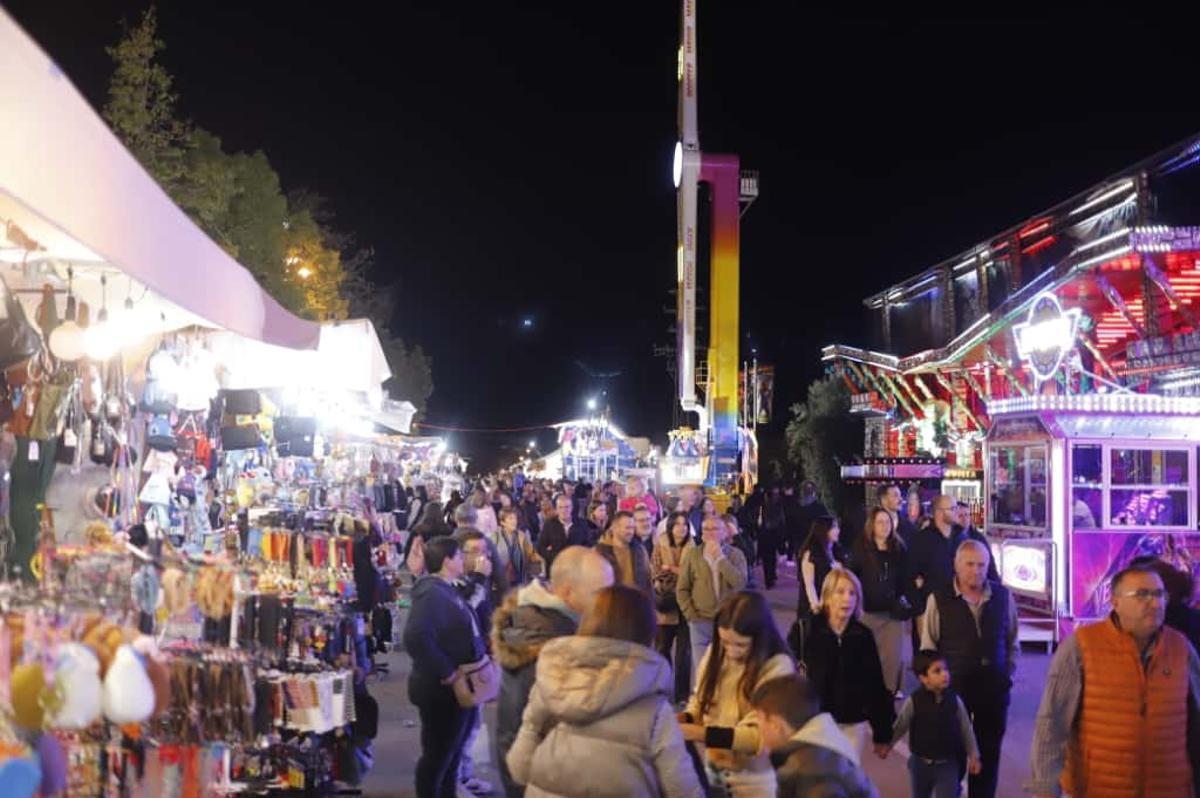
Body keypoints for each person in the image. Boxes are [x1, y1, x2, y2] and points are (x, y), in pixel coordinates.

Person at [506, 585, 704, 798]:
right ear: (646, 634)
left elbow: (519, 769)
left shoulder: (553, 685)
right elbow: (683, 789)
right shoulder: (654, 709)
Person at [1028, 561, 1200, 798]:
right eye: (1142, 594)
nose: (1154, 602)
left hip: (1169, 788)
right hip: (1099, 789)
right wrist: (1045, 788)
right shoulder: (1082, 647)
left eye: (1160, 594)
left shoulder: (1181, 647)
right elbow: (1052, 722)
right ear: (1115, 602)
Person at [492, 547, 614, 798]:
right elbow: (518, 738)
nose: (609, 603)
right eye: (601, 593)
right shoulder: (551, 646)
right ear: (568, 593)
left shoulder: (537, 627)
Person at [921, 540, 1017, 798]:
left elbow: (1012, 643)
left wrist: (1006, 676)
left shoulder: (1003, 597)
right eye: (970, 564)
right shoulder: (938, 599)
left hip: (993, 689)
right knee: (953, 753)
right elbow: (928, 648)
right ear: (956, 565)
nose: (976, 570)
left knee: (989, 752)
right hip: (954, 689)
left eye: (982, 565)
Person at [679, 591, 796, 796]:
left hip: (757, 778)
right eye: (725, 642)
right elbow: (699, 700)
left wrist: (697, 733)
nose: (731, 651)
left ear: (760, 639)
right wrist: (684, 718)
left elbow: (759, 736)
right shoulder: (716, 652)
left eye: (741, 645)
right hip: (715, 768)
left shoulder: (777, 667)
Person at [403, 537, 487, 798]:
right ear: (448, 561)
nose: (464, 561)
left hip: (452, 689)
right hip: (439, 690)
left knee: (450, 755)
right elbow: (416, 636)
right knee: (438, 757)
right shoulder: (432, 593)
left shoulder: (444, 589)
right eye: (460, 557)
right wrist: (447, 671)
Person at [800, 566, 895, 759]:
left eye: (853, 594)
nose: (847, 599)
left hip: (852, 725)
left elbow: (875, 685)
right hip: (815, 724)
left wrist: (882, 734)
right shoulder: (807, 632)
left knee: (845, 782)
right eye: (840, 592)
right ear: (827, 597)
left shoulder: (863, 636)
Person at [752, 674, 880, 798]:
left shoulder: (810, 772)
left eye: (759, 719)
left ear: (776, 725)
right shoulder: (820, 748)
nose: (758, 728)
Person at [882, 650, 980, 798]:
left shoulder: (954, 701)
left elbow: (966, 729)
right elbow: (901, 725)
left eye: (946, 669)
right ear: (923, 678)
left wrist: (974, 755)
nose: (945, 674)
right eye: (937, 671)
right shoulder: (914, 701)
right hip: (919, 764)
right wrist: (888, 744)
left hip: (947, 764)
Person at [846, 508, 914, 694]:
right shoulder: (861, 549)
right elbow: (851, 576)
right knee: (867, 654)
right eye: (880, 522)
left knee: (893, 656)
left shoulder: (899, 549)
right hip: (867, 611)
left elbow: (906, 578)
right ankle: (868, 689)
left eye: (888, 522)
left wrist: (905, 597)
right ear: (872, 525)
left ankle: (890, 690)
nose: (885, 526)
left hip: (892, 612)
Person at [677, 516, 749, 686]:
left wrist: (721, 559)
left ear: (724, 532)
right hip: (700, 622)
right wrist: (691, 615)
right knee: (703, 673)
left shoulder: (735, 555)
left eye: (715, 529)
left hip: (728, 622)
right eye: (706, 529)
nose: (710, 533)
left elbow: (740, 583)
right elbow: (682, 589)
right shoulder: (693, 555)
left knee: (728, 673)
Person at [652, 511, 695, 704]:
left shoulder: (694, 547)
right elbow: (656, 571)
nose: (681, 528)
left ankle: (682, 696)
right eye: (677, 524)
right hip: (665, 603)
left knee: (683, 653)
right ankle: (665, 688)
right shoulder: (660, 544)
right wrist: (675, 573)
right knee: (662, 649)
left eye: (685, 524)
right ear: (670, 527)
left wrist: (672, 569)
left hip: (686, 605)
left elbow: (693, 574)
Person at [797, 515, 844, 618]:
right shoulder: (811, 553)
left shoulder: (836, 550)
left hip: (834, 602)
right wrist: (816, 607)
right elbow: (809, 584)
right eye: (833, 527)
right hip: (817, 603)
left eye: (837, 527)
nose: (837, 531)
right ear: (823, 530)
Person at [490, 506, 541, 587]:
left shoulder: (521, 536)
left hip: (519, 580)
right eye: (510, 518)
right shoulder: (495, 537)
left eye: (515, 518)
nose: (514, 521)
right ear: (502, 522)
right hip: (500, 582)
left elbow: (532, 555)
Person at [536, 494, 588, 570]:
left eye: (567, 507)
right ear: (556, 509)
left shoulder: (581, 523)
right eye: (560, 507)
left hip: (577, 567)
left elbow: (589, 544)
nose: (564, 510)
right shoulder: (549, 524)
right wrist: (554, 557)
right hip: (556, 567)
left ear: (572, 508)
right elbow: (540, 547)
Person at [955, 502, 999, 583]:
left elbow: (990, 563)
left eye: (967, 515)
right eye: (960, 516)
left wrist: (997, 584)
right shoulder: (950, 539)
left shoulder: (978, 537)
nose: (964, 519)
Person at [791, 481, 828, 562]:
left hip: (803, 541)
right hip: (813, 542)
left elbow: (792, 525)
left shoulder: (797, 507)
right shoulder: (819, 508)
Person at [759, 486, 787, 589]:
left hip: (765, 534)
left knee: (767, 558)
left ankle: (768, 578)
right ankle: (771, 577)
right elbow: (782, 522)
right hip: (775, 534)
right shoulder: (778, 506)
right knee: (772, 557)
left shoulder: (764, 506)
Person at [723, 514, 756, 590]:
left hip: (743, 572)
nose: (727, 530)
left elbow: (750, 559)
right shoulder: (719, 540)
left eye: (730, 527)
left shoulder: (744, 538)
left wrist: (736, 537)